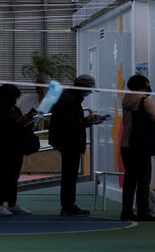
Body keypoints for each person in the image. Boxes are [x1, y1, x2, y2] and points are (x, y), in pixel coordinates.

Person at [120, 74, 155, 222]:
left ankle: (126, 211)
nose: (149, 87)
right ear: (142, 86)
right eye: (147, 84)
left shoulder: (126, 100)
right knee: (143, 179)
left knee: (130, 179)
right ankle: (143, 211)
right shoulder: (145, 100)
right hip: (141, 145)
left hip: (127, 144)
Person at [49, 74, 98, 217]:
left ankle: (69, 204)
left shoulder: (68, 97)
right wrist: (87, 120)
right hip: (69, 142)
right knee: (69, 175)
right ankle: (68, 206)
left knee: (69, 175)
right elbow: (70, 125)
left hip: (68, 141)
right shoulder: (69, 101)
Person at [0, 84, 34, 217]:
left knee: (14, 175)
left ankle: (12, 203)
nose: (14, 100)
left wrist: (26, 120)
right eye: (12, 97)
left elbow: (17, 123)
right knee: (3, 174)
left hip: (16, 145)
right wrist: (17, 121)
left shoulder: (14, 108)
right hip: (3, 146)